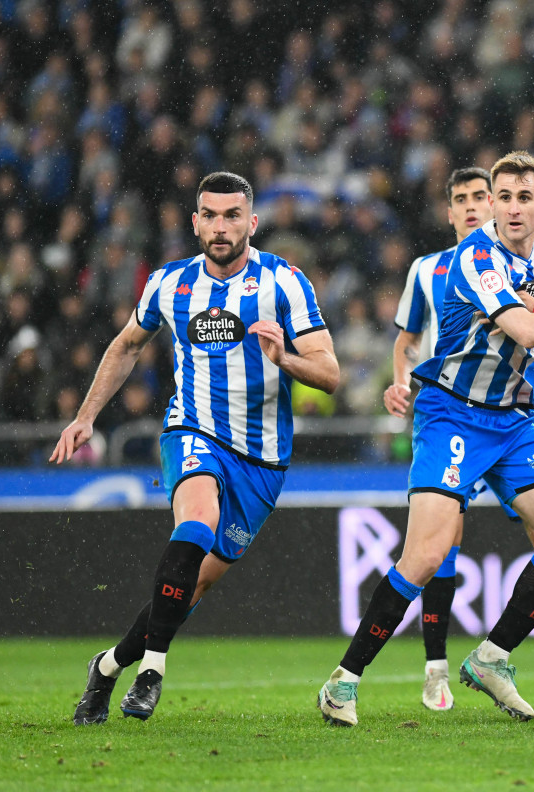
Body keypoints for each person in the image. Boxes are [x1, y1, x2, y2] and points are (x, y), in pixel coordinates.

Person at [318, 151, 534, 726]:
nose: (514, 208)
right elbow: (524, 326)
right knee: (426, 553)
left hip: (512, 419)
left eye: (526, 198)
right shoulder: (476, 259)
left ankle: (492, 657)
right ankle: (344, 682)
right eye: (505, 198)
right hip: (453, 414)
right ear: (491, 204)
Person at [58, 171, 340, 724]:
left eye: (232, 215)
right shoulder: (169, 283)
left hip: (261, 461)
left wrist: (286, 360)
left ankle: (109, 667)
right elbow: (126, 346)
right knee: (196, 523)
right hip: (194, 430)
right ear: (195, 222)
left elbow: (329, 374)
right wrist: (86, 416)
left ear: (252, 223)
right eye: (209, 215)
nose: (220, 226)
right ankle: (153, 671)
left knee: (190, 586)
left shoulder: (285, 283)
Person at [388, 166, 534, 712]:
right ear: (451, 213)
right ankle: (436, 670)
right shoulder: (430, 270)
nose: (475, 206)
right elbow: (407, 340)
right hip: (457, 420)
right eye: (465, 199)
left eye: (481, 197)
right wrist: (399, 385)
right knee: (437, 547)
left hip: (518, 423)